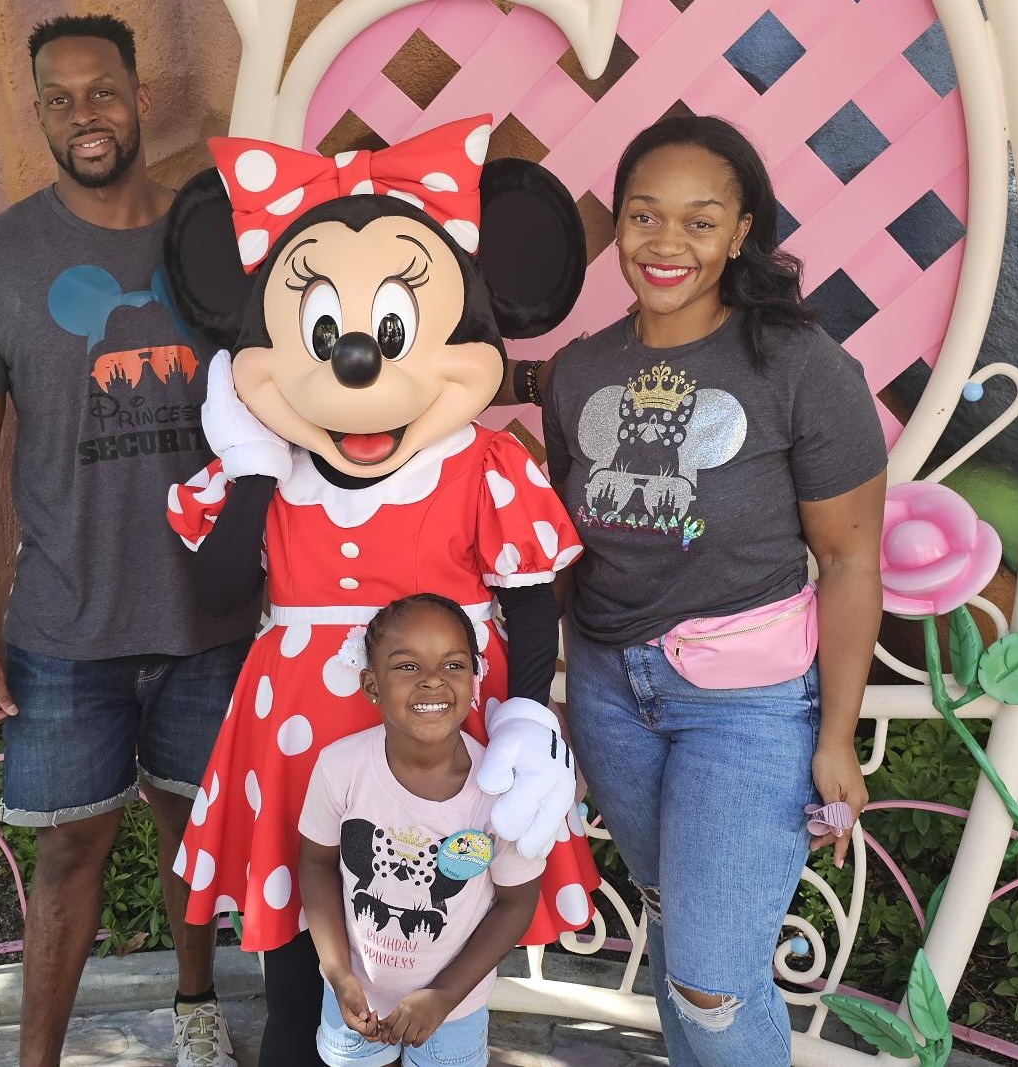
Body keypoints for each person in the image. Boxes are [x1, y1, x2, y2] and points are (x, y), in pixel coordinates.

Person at [161, 117, 600, 1065]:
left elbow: (527, 597)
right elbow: (218, 590)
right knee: (301, 976)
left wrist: (525, 713)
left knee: (445, 930)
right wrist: (247, 469)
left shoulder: (479, 461)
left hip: (444, 730)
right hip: (299, 738)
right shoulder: (272, 467)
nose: (357, 360)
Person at [0, 15, 255, 1067]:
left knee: (191, 833)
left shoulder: (218, 237)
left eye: (102, 91)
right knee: (68, 850)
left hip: (213, 611)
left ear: (140, 99)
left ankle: (195, 1002)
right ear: (39, 115)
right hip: (65, 623)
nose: (85, 115)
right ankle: (37, 1057)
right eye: (60, 99)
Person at [536, 115, 888, 1066]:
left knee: (713, 979)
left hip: (744, 704)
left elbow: (851, 561)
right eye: (644, 216)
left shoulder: (801, 367)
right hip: (613, 694)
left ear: (741, 232)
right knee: (673, 927)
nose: (665, 243)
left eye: (699, 221)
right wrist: (569, 687)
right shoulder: (577, 372)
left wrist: (834, 734)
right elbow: (571, 551)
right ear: (617, 227)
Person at [299, 594, 544, 1067]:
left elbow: (517, 901)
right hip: (354, 1002)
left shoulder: (499, 792)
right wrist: (337, 973)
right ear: (372, 684)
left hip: (454, 1011)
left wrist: (444, 996)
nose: (433, 679)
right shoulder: (341, 768)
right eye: (408, 667)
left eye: (453, 664)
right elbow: (315, 863)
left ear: (474, 679)